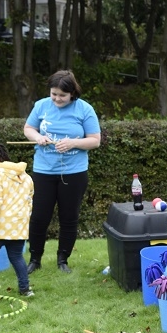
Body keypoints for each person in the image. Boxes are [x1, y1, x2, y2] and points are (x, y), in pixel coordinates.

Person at [23, 70, 101, 274]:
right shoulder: (41, 105)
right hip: (43, 171)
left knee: (69, 217)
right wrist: (37, 137)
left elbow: (95, 140)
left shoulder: (84, 109)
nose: (57, 98)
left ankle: (62, 260)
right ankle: (34, 259)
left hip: (74, 173)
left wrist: (73, 143)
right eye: (54, 94)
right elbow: (28, 129)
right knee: (39, 217)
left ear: (72, 93)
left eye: (62, 95)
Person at [0, 143, 35, 300]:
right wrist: (23, 224)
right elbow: (29, 203)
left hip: (0, 224)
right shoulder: (26, 177)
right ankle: (25, 289)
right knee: (16, 256)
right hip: (18, 226)